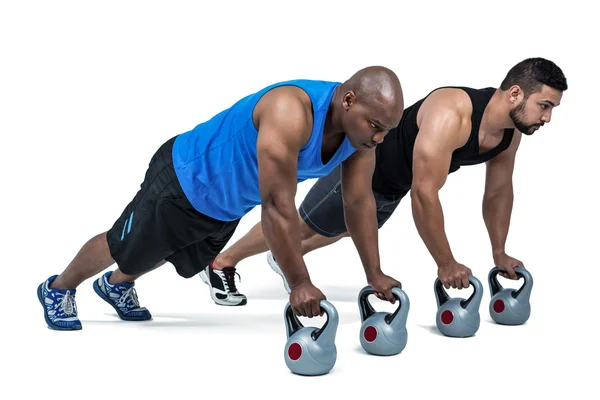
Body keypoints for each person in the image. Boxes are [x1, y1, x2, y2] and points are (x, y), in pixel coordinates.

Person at [37, 66, 405, 330]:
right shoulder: (291, 111)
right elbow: (277, 206)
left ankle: (116, 285)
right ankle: (58, 288)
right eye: (375, 126)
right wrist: (298, 283)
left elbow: (359, 203)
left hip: (226, 203)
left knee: (166, 249)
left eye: (387, 131)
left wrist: (374, 275)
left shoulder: (360, 141)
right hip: (185, 177)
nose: (379, 139)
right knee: (123, 243)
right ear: (348, 100)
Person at [201, 57, 567, 304]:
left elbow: (499, 192)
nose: (547, 118)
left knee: (337, 231)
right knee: (298, 224)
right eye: (545, 106)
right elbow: (426, 194)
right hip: (363, 168)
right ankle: (221, 262)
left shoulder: (510, 133)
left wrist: (498, 251)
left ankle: (286, 260)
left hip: (393, 187)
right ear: (516, 93)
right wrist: (446, 263)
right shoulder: (451, 113)